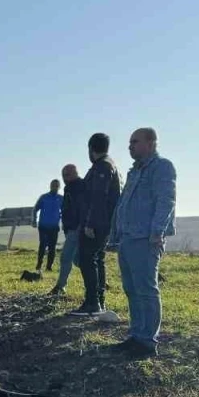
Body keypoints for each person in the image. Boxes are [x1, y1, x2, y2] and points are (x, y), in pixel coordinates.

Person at [109, 127, 177, 357]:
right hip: (127, 238)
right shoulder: (133, 172)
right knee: (131, 289)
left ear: (151, 143)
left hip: (146, 239)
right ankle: (136, 335)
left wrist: (157, 231)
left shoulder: (162, 167)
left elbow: (166, 200)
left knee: (146, 290)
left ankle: (147, 341)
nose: (130, 146)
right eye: (129, 143)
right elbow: (123, 204)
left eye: (135, 142)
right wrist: (115, 233)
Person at [72, 133, 122, 316]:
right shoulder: (107, 165)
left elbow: (98, 198)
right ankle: (98, 302)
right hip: (103, 222)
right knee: (97, 260)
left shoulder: (102, 167)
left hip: (97, 223)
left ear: (91, 148)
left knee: (87, 260)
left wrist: (90, 223)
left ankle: (92, 302)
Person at [50, 165, 85, 296]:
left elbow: (81, 207)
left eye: (68, 174)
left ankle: (60, 286)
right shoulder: (69, 188)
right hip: (71, 228)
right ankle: (99, 280)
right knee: (78, 260)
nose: (65, 178)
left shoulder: (79, 187)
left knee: (66, 257)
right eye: (63, 175)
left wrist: (78, 225)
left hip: (77, 228)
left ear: (75, 173)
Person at [33, 179, 63, 271]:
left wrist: (63, 220)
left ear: (59, 187)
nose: (55, 187)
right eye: (53, 185)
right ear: (50, 186)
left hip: (54, 227)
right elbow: (35, 209)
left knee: (52, 247)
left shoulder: (61, 198)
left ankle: (49, 267)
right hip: (43, 226)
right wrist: (34, 220)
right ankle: (39, 265)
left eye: (56, 185)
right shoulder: (44, 197)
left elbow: (65, 211)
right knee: (42, 245)